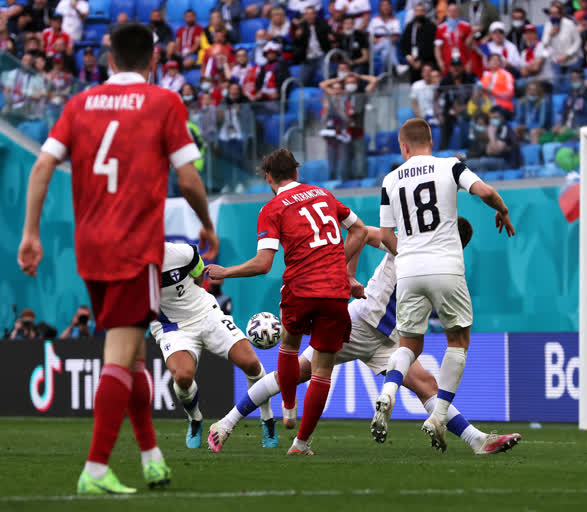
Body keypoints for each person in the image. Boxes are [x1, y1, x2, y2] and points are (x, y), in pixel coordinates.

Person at [17, 23, 219, 494]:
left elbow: (43, 164)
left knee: (133, 359)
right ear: (153, 61)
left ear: (108, 58)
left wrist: (30, 233)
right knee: (120, 354)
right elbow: (188, 180)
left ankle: (151, 459)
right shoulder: (164, 102)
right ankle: (95, 468)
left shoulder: (79, 103)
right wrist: (207, 223)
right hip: (133, 249)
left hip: (90, 248)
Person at [209, 221, 522, 455]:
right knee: (298, 374)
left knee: (426, 385)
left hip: (387, 340)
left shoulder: (444, 265)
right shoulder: (411, 244)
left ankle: (477, 440)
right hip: (359, 323)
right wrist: (346, 274)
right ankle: (224, 425)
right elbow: (360, 232)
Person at [205, 149, 367, 455]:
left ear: (268, 178)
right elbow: (358, 230)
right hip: (334, 291)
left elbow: (264, 264)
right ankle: (301, 443)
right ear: (297, 171)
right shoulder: (324, 194)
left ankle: (289, 407)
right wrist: (333, 262)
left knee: (290, 345)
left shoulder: (273, 207)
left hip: (301, 288)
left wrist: (226, 271)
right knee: (322, 371)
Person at [372, 118, 514, 451]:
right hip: (446, 266)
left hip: (407, 271)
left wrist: (408, 254)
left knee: (407, 345)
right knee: (458, 340)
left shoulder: (390, 180)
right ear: (431, 141)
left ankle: (387, 393)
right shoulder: (450, 166)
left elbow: (385, 235)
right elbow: (486, 192)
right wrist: (503, 210)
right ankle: (438, 415)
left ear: (403, 145)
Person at [150, 242, 274, 449]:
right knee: (182, 377)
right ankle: (195, 419)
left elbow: (199, 277)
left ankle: (267, 420)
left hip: (206, 313)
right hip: (172, 327)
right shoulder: (131, 266)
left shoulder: (184, 252)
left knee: (251, 363)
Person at [293, 6, 332, 87]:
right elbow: (297, 45)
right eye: (307, 14)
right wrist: (297, 37)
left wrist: (331, 37)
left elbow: (330, 37)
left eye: (312, 14)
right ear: (305, 16)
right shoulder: (301, 27)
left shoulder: (322, 24)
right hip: (308, 59)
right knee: (301, 82)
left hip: (321, 56)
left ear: (315, 15)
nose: (309, 16)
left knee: (327, 76)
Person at [399, 2, 437, 83]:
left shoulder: (431, 26)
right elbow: (404, 44)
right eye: (417, 11)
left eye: (421, 11)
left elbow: (431, 46)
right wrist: (408, 56)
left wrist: (421, 60)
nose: (419, 13)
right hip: (412, 59)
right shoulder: (410, 26)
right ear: (414, 12)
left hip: (427, 60)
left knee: (427, 69)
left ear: (425, 12)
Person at [541, 3, 583, 75]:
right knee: (557, 84)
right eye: (551, 14)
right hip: (557, 61)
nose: (553, 16)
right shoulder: (548, 25)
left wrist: (567, 54)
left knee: (569, 83)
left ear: (560, 14)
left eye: (555, 13)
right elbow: (544, 44)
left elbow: (578, 41)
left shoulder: (569, 24)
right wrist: (550, 35)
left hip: (572, 60)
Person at [435, 4, 473, 75]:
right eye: (450, 11)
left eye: (455, 11)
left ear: (458, 13)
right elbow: (437, 48)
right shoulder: (440, 28)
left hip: (463, 61)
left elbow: (470, 47)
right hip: (447, 61)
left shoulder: (466, 26)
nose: (452, 13)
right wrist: (439, 61)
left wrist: (469, 61)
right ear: (446, 12)